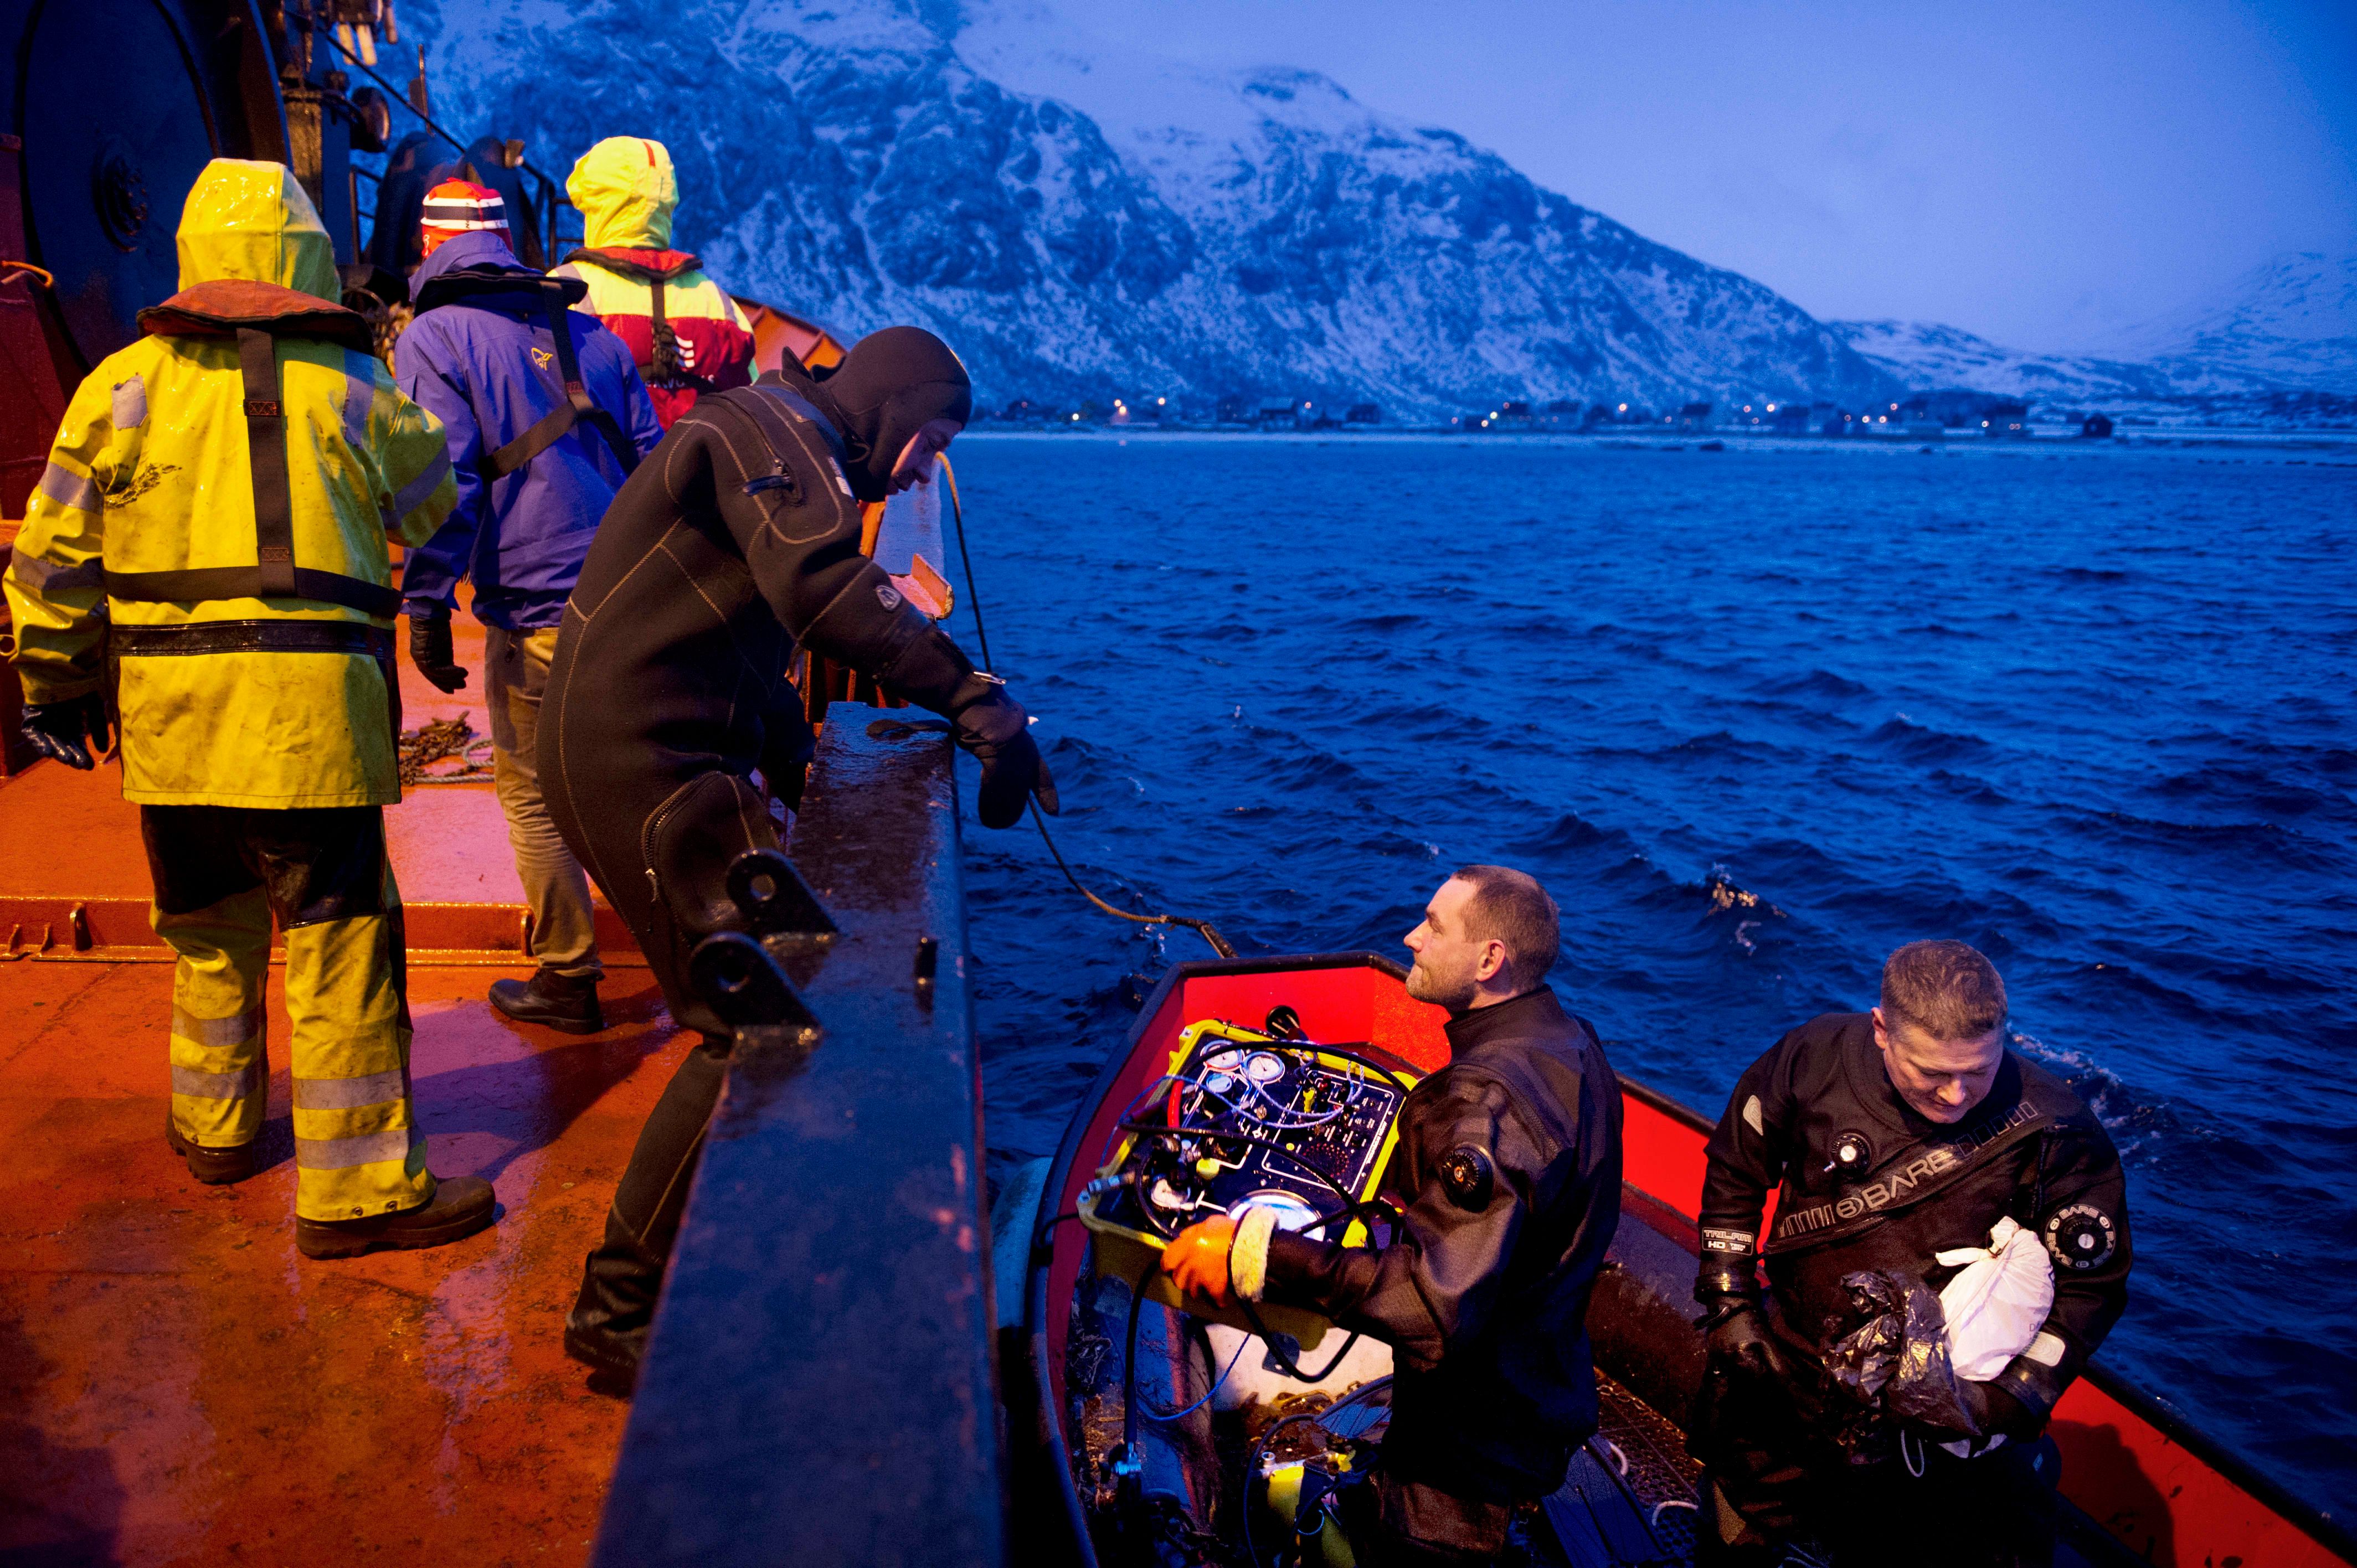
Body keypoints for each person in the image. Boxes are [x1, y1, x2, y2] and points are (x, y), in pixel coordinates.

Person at [542, 324, 1057, 1383]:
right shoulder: (772, 433)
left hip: (671, 751)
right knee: (757, 1020)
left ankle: (742, 1223)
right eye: (926, 441)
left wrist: (787, 738)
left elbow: (734, 620)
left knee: (799, 978)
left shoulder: (774, 429)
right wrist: (971, 698)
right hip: (642, 762)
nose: (923, 467)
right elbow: (819, 586)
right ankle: (621, 1311)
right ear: (883, 411)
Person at [2, 159, 493, 1258]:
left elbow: (49, 563)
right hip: (312, 737)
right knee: (338, 946)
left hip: (174, 736)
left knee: (209, 937)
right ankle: (358, 1193)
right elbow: (432, 501)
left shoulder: (119, 388)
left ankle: (217, 1132)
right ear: (312, 264)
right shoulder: (357, 386)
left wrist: (54, 683)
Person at [1164, 866, 1624, 1566]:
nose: (1410, 936)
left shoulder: (1482, 1097)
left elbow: (1430, 1302)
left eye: (1434, 926)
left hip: (1469, 1446)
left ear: (1489, 960)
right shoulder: (1574, 1044)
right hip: (1542, 1382)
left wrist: (1251, 1253)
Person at [1691, 940, 2132, 1566]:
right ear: (1880, 1030)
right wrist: (1730, 1301)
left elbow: (2092, 1288)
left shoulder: (2054, 1129)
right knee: (1743, 1519)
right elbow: (1736, 1171)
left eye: (1976, 1072)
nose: (1955, 1097)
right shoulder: (1809, 1058)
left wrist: (2009, 1398)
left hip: (1940, 1403)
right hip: (1792, 1359)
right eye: (1931, 1073)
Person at [393, 179, 663, 1033]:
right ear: (511, 243)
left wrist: (428, 604)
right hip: (630, 604)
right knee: (643, 787)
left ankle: (569, 976)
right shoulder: (594, 336)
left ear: (430, 246)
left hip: (537, 615)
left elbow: (444, 482)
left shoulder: (434, 336)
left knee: (534, 795)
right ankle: (706, 959)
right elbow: (655, 466)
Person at [548, 136, 755, 429]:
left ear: (594, 203)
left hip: (606, 473)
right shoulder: (718, 302)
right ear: (667, 204)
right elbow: (751, 401)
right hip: (699, 471)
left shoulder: (564, 288)